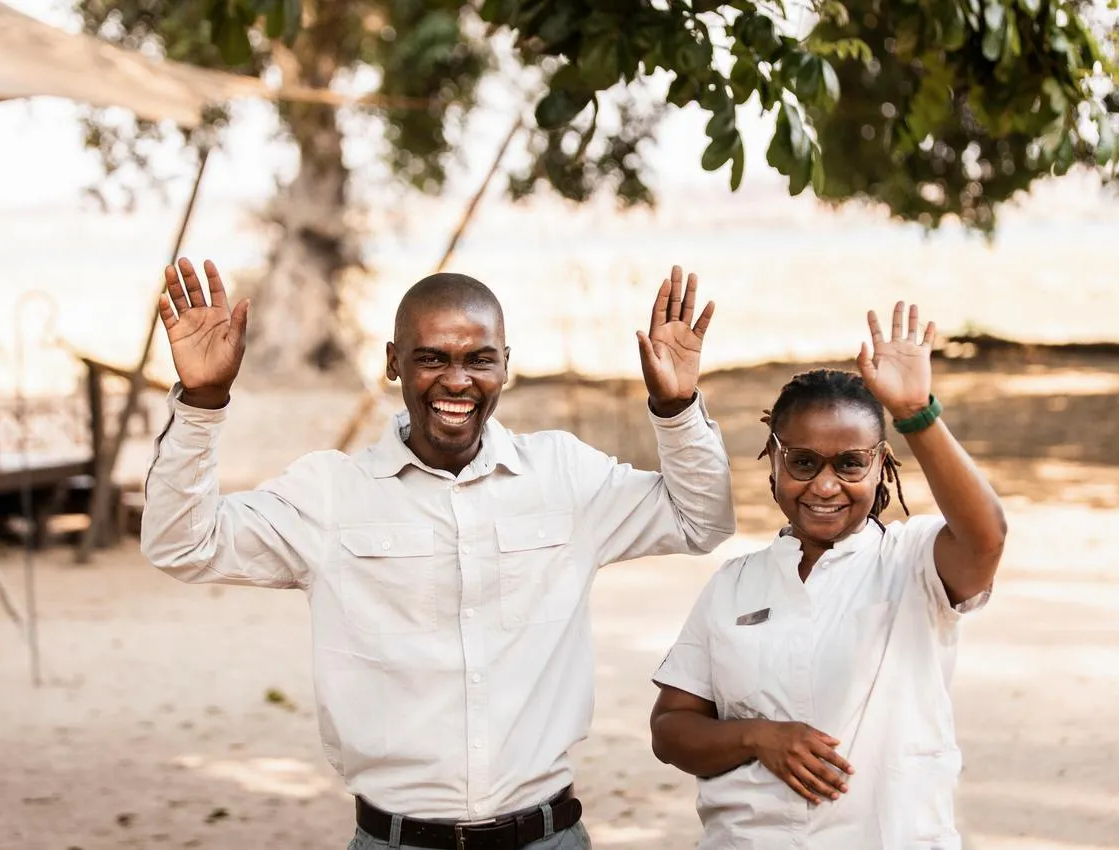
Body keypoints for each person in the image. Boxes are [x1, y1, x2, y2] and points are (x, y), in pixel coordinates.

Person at [140, 258, 737, 849]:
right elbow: (183, 543)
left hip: (548, 836)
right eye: (432, 358)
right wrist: (202, 399)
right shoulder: (330, 493)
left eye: (480, 359)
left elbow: (700, 520)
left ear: (506, 364)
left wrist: (676, 409)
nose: (458, 381)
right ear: (394, 363)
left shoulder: (564, 476)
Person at [649, 302, 1007, 849]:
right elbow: (670, 729)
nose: (824, 485)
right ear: (773, 458)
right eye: (803, 462)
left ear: (881, 462)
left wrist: (918, 413)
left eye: (850, 463)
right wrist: (757, 736)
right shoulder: (735, 584)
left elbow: (987, 537)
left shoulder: (913, 562)